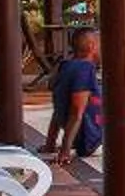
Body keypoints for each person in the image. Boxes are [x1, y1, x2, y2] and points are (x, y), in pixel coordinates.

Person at [45, 25, 105, 166]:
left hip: (85, 140)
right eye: (101, 44)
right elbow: (76, 112)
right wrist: (64, 152)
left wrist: (50, 144)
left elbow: (58, 109)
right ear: (92, 46)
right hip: (94, 143)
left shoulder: (65, 66)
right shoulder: (85, 69)